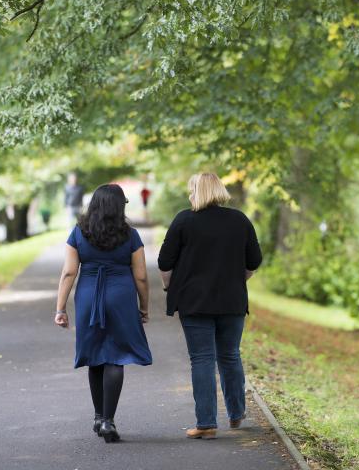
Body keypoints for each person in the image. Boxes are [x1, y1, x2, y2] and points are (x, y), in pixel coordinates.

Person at [158, 172, 262, 439]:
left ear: (196, 191)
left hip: (194, 302)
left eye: (191, 189)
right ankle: (237, 414)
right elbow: (254, 261)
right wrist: (239, 278)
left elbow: (165, 262)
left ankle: (206, 424)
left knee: (202, 359)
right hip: (232, 300)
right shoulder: (239, 220)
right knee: (230, 355)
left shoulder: (184, 220)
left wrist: (169, 286)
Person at [54, 184, 152, 443]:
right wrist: (144, 306)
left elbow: (68, 272)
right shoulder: (130, 235)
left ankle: (98, 417)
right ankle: (108, 420)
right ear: (120, 206)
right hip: (121, 297)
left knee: (94, 354)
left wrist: (60, 308)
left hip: (88, 296)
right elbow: (141, 276)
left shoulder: (79, 232)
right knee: (115, 357)